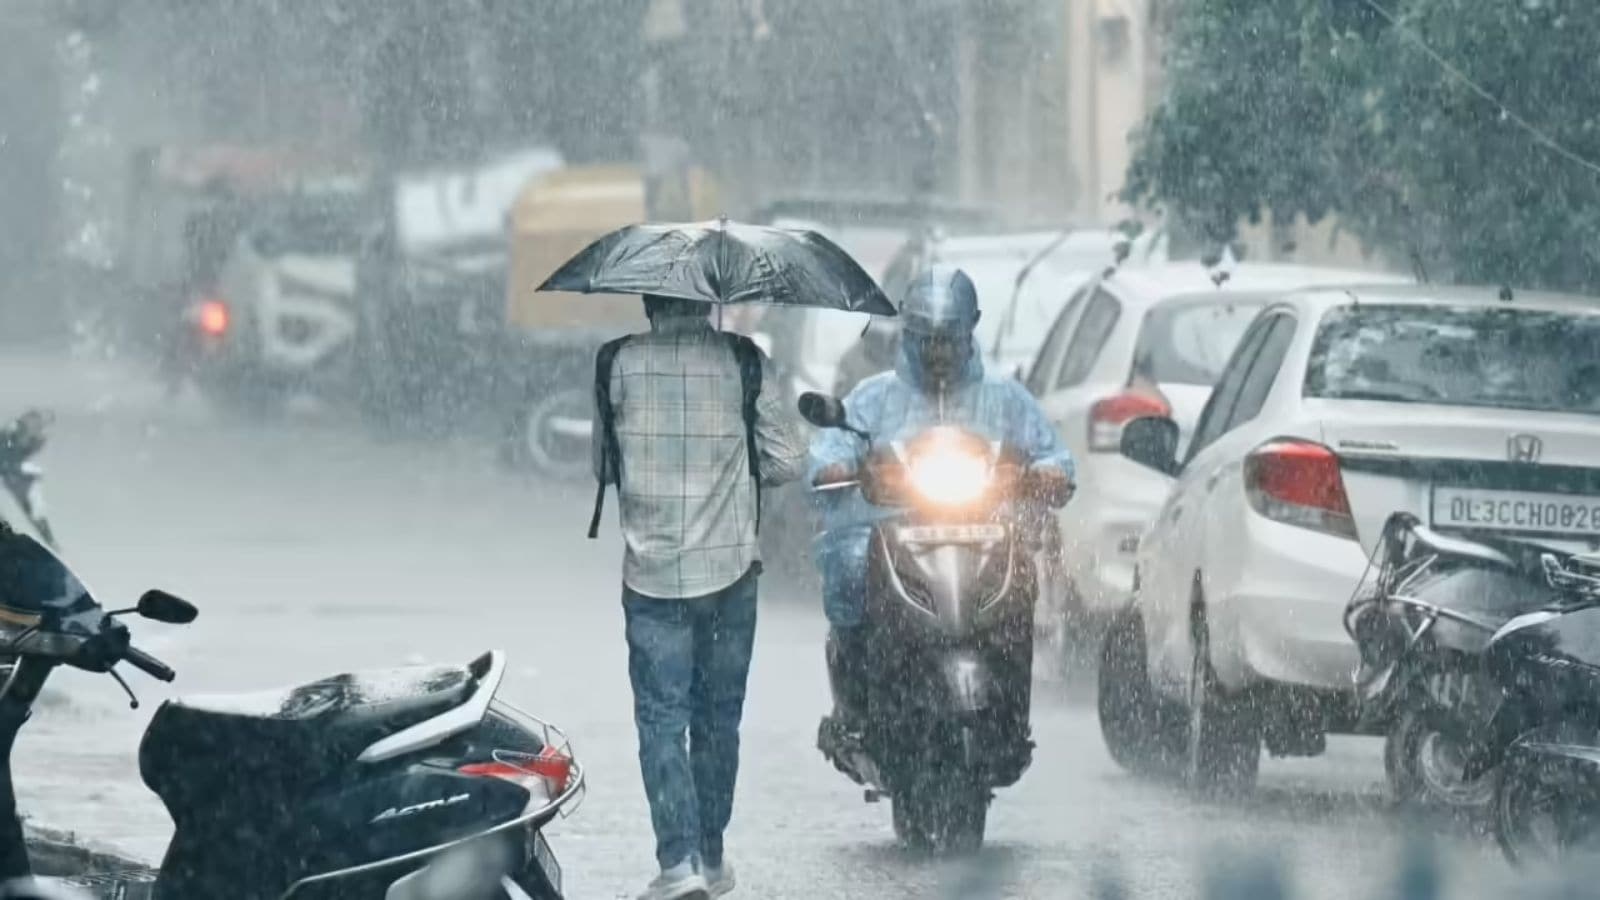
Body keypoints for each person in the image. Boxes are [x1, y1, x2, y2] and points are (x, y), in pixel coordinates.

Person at [592, 294, 806, 900]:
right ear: (707, 298)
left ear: (645, 300)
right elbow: (788, 460)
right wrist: (731, 461)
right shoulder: (743, 360)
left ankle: (678, 863)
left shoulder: (616, 362)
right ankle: (711, 855)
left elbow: (604, 468)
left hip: (652, 573)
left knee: (662, 719)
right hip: (731, 571)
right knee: (718, 718)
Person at [806, 265, 1074, 739]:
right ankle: (855, 703)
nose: (938, 352)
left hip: (985, 536)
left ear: (971, 328)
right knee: (849, 566)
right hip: (892, 532)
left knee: (1022, 581)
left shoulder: (1004, 398)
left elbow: (1053, 453)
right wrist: (839, 468)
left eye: (948, 339)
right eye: (926, 338)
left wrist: (1046, 473)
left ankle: (1012, 711)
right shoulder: (875, 396)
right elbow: (831, 449)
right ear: (907, 332)